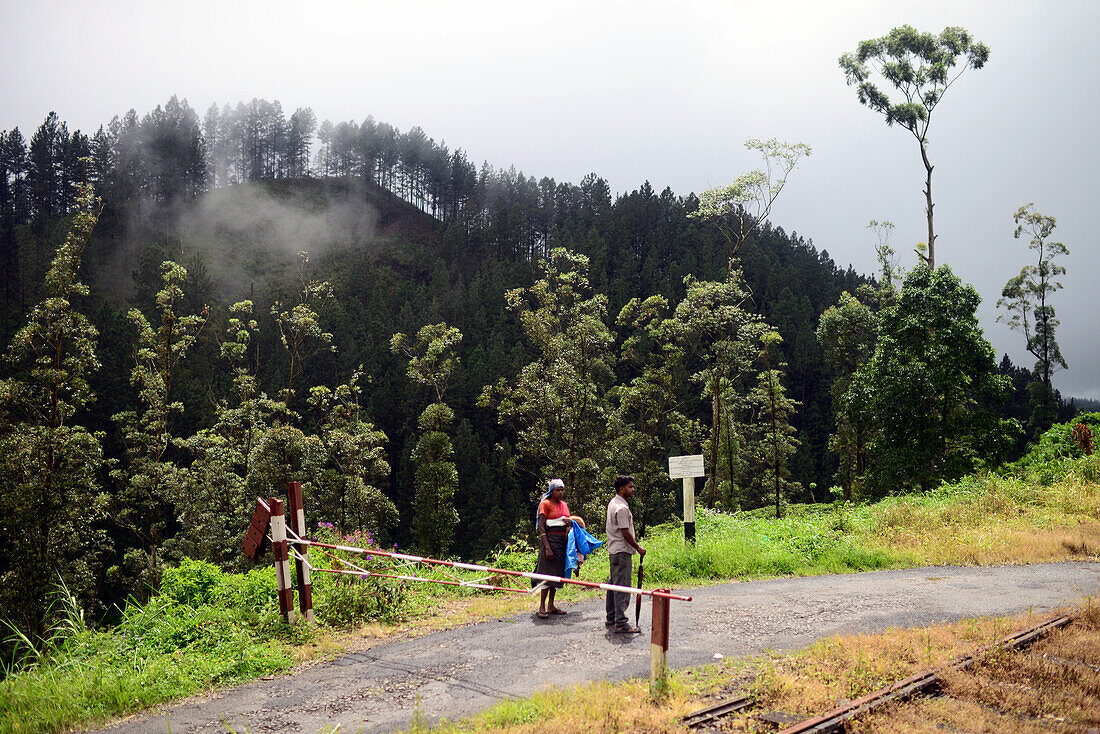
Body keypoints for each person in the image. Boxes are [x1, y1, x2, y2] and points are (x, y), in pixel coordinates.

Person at [605, 475, 645, 633]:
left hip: (614, 550)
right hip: (621, 551)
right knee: (622, 586)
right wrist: (638, 547)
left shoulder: (613, 503)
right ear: (622, 489)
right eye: (630, 487)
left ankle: (611, 617)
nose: (633, 490)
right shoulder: (621, 508)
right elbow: (625, 533)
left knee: (613, 584)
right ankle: (620, 622)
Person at [535, 478, 572, 618]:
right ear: (551, 491)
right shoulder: (545, 504)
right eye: (558, 490)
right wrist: (547, 547)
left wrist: (569, 522)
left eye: (562, 490)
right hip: (549, 541)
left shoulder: (564, 505)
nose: (561, 492)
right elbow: (541, 526)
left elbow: (567, 522)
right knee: (546, 575)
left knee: (556, 576)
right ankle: (542, 606)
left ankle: (551, 605)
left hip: (561, 543)